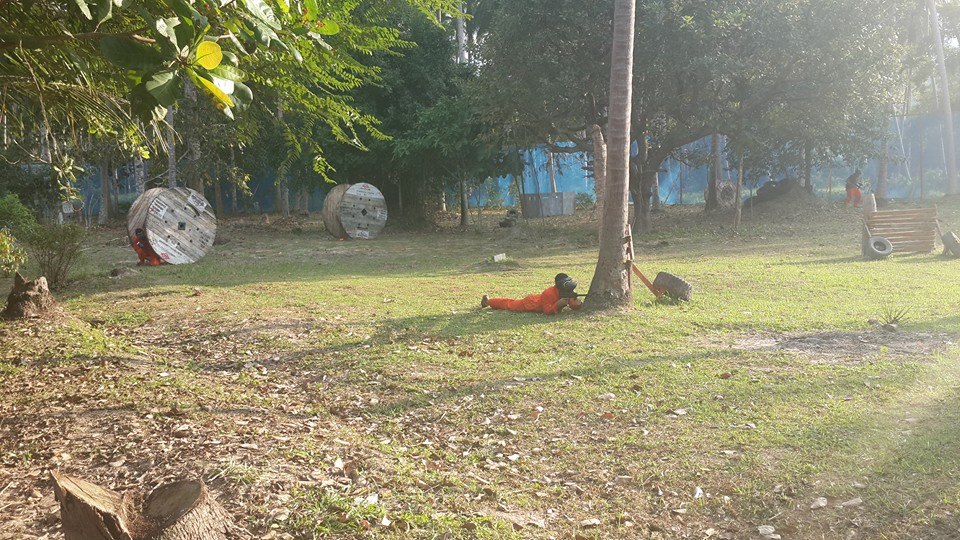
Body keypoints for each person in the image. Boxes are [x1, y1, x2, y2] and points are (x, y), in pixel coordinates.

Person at [481, 273, 584, 315]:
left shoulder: (566, 293)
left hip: (539, 300)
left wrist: (577, 304)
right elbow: (546, 311)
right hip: (530, 304)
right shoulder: (548, 293)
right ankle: (488, 301)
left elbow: (572, 304)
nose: (570, 292)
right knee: (509, 304)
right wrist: (558, 304)